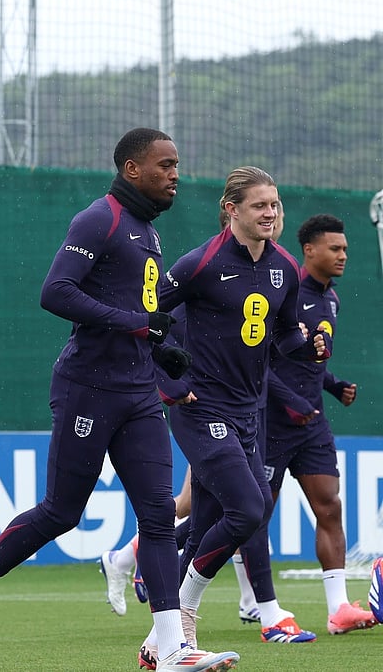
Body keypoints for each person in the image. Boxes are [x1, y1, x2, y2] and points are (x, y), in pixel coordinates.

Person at [0, 127, 239, 672]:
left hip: (139, 393)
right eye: (165, 164)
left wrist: (162, 348)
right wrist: (137, 325)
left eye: (176, 164)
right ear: (131, 169)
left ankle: (171, 648)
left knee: (157, 515)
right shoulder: (99, 219)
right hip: (87, 389)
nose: (175, 174)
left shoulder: (147, 231)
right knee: (61, 512)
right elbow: (55, 292)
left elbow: (137, 310)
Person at [137, 166, 328, 662]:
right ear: (231, 209)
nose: (270, 213)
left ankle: (159, 646)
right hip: (201, 408)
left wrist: (309, 346)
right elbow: (149, 319)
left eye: (274, 204)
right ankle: (184, 612)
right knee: (249, 508)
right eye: (259, 205)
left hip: (249, 412)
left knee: (205, 527)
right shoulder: (200, 262)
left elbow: (282, 336)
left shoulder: (285, 267)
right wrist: (169, 383)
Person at [263, 213, 376, 635]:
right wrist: (289, 401)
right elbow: (260, 362)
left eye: (345, 248)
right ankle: (157, 561)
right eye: (335, 248)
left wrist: (334, 385)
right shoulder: (284, 294)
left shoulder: (332, 300)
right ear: (309, 250)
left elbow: (310, 362)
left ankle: (338, 608)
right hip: (270, 422)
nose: (343, 255)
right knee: (249, 515)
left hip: (311, 423)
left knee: (329, 505)